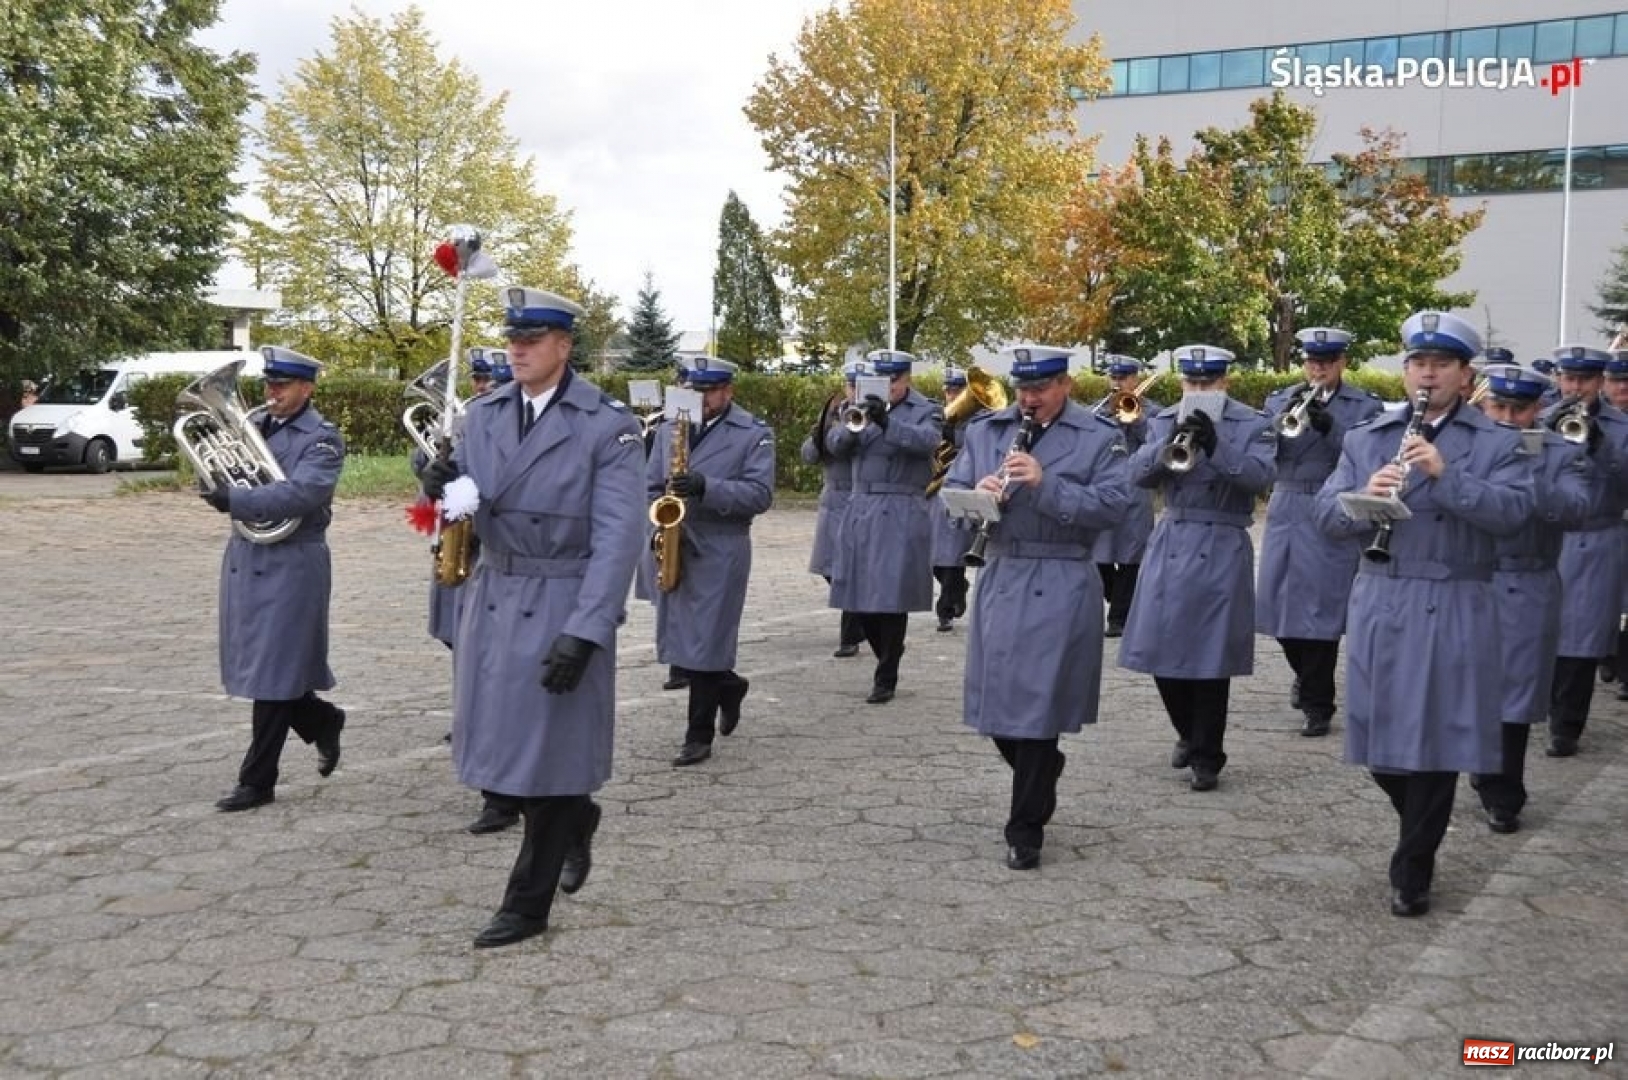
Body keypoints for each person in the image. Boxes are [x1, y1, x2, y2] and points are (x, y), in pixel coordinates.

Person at [419, 286, 645, 948]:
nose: (516, 348)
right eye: (512, 338)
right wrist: (439, 486)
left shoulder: (608, 425)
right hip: (494, 594)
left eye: (532, 339)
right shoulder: (485, 414)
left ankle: (527, 903)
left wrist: (588, 628)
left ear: (564, 347)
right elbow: (468, 502)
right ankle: (576, 819)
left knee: (550, 751)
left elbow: (618, 537)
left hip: (561, 597)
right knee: (506, 751)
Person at [1313, 310, 1533, 917]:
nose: (1426, 376)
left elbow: (1515, 515)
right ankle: (1420, 830)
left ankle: (1413, 867)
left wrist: (1448, 476)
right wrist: (1363, 502)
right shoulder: (1367, 436)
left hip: (1456, 597)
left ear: (1466, 376)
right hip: (1384, 596)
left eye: (1440, 366)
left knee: (1434, 740)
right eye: (1417, 364)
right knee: (1383, 742)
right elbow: (1324, 517)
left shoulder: (1497, 441)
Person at [944, 346, 1130, 870]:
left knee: (1038, 708)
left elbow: (1114, 507)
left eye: (1041, 389)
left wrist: (1047, 485)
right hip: (1002, 573)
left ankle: (1025, 829)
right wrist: (974, 495)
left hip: (1061, 575)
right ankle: (1043, 768)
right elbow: (951, 491)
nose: (1029, 399)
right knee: (998, 705)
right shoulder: (985, 431)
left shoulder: (1098, 437)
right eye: (1023, 389)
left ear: (1065, 385)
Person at [1119, 345, 1275, 791]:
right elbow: (1137, 475)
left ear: (1224, 382)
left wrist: (1217, 447)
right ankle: (1188, 732)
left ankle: (1208, 755)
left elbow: (1261, 479)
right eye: (1192, 382)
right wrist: (1166, 447)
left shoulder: (1252, 422)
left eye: (1208, 383)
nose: (1200, 390)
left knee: (1211, 654)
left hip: (1222, 539)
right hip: (1173, 536)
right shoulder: (1165, 417)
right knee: (1158, 647)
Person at [203, 346, 348, 812]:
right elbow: (228, 479)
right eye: (268, 385)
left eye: (281, 386)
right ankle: (321, 719)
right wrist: (214, 483)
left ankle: (257, 780)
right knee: (269, 668)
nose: (271, 393)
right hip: (248, 558)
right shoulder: (254, 428)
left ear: (306, 388)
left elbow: (303, 492)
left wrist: (238, 501)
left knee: (272, 675)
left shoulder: (323, 438)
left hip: (292, 561)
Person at [1469, 361, 1591, 834]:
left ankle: (1505, 792)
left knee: (1514, 696)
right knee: (1466, 687)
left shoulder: (1560, 451)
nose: (1507, 417)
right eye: (1498, 406)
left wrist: (1530, 469)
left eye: (1519, 409)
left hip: (1526, 581)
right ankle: (1475, 765)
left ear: (1537, 409)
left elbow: (1577, 510)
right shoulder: (1464, 448)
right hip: (1470, 580)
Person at [413, 346, 523, 835]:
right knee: (464, 653)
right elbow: (431, 482)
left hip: (502, 563)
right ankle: (488, 763)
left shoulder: (520, 431)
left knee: (497, 678)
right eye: (476, 381)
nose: (479, 390)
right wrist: (435, 465)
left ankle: (502, 795)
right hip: (458, 551)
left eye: (488, 382)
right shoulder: (471, 422)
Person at [1255, 328, 1384, 737]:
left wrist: (1331, 428)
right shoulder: (1279, 399)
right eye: (1312, 362)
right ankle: (1305, 676)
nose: (1319, 368)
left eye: (1326, 362)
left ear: (1341, 362)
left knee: (1321, 611)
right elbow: (1262, 453)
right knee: (1277, 607)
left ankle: (1318, 703)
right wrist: (1281, 420)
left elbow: (1371, 453)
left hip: (1331, 503)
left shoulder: (1364, 405)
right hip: (1287, 505)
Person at [650, 357, 776, 767]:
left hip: (722, 543)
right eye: (694, 391)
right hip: (676, 539)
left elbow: (759, 495)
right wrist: (656, 514)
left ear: (728, 391)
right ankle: (728, 685)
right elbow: (649, 484)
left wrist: (708, 487)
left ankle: (697, 734)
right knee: (683, 638)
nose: (701, 400)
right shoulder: (670, 427)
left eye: (709, 391)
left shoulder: (753, 433)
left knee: (706, 640)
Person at [824, 349, 943, 704]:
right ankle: (888, 651)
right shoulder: (855, 405)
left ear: (906, 379)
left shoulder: (927, 408)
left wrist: (889, 423)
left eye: (894, 380)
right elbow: (833, 446)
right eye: (882, 380)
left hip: (901, 505)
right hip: (861, 506)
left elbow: (928, 442)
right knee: (859, 595)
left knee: (891, 596)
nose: (887, 387)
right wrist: (851, 423)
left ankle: (886, 673)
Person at [1544, 344, 1628, 757]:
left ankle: (1567, 724)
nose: (1575, 387)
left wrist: (1599, 444)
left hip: (1598, 538)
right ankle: (1540, 706)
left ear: (1600, 382)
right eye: (1569, 378)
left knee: (1582, 637)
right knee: (1543, 629)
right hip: (1550, 538)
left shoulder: (1621, 426)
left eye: (1584, 380)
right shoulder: (1541, 418)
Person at [802, 359, 867, 658]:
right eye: (851, 385)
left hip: (858, 498)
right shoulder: (834, 409)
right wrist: (823, 430)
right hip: (833, 498)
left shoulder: (876, 415)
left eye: (860, 386)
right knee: (830, 568)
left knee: (851, 570)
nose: (854, 392)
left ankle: (851, 634)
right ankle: (862, 620)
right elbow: (808, 455)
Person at [1091, 356, 1155, 638]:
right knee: (1099, 555)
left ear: (1135, 379)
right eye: (1113, 377)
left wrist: (1138, 420)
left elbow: (1156, 442)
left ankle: (1118, 617)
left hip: (1135, 488)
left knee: (1131, 555)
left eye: (1123, 377)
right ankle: (1115, 596)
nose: (1117, 383)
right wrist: (1105, 419)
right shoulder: (1097, 411)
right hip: (1103, 486)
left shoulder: (1153, 411)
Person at [930, 366, 976, 632]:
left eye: (957, 389)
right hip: (933, 490)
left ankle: (945, 609)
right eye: (948, 389)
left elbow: (975, 442)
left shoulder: (976, 418)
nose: (951, 394)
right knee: (935, 557)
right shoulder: (937, 415)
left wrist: (951, 434)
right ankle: (958, 588)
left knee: (954, 553)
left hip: (959, 488)